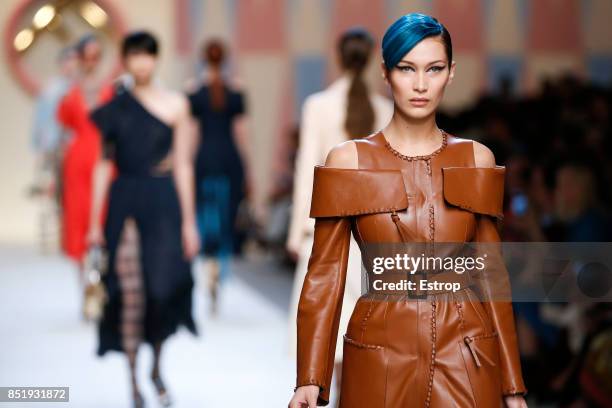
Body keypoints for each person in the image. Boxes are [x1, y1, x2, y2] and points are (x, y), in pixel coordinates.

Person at [289, 13, 528, 408]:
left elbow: (492, 276)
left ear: (451, 73)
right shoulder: (349, 161)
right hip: (380, 354)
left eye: (433, 69)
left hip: (468, 354)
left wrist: (513, 386)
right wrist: (310, 378)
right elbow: (325, 275)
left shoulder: (476, 159)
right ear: (385, 72)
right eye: (407, 68)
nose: (420, 84)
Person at [87, 31, 200, 408]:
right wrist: (92, 223)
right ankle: (134, 379)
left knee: (161, 291)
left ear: (156, 58)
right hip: (125, 201)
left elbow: (183, 164)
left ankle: (156, 366)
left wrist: (189, 222)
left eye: (147, 55)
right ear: (125, 60)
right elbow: (103, 165)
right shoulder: (115, 107)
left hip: (163, 200)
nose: (141, 63)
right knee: (129, 294)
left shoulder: (176, 105)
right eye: (133, 56)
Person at [286, 27, 393, 405]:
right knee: (362, 337)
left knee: (325, 333)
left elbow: (308, 171)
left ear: (338, 57)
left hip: (327, 233)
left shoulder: (318, 105)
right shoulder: (385, 109)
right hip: (372, 236)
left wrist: (298, 229)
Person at [187, 39, 250, 314]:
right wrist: (247, 169)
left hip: (204, 159)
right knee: (225, 217)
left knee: (205, 215)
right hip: (229, 159)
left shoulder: (194, 91)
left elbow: (191, 135)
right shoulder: (236, 90)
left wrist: (186, 164)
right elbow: (241, 134)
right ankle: (219, 274)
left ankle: (207, 265)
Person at [57, 34, 114, 269]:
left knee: (105, 214)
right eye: (86, 56)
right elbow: (64, 129)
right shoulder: (70, 93)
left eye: (96, 56)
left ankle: (104, 279)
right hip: (78, 161)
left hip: (105, 157)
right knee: (79, 218)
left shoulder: (110, 90)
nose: (91, 61)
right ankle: (87, 288)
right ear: (79, 58)